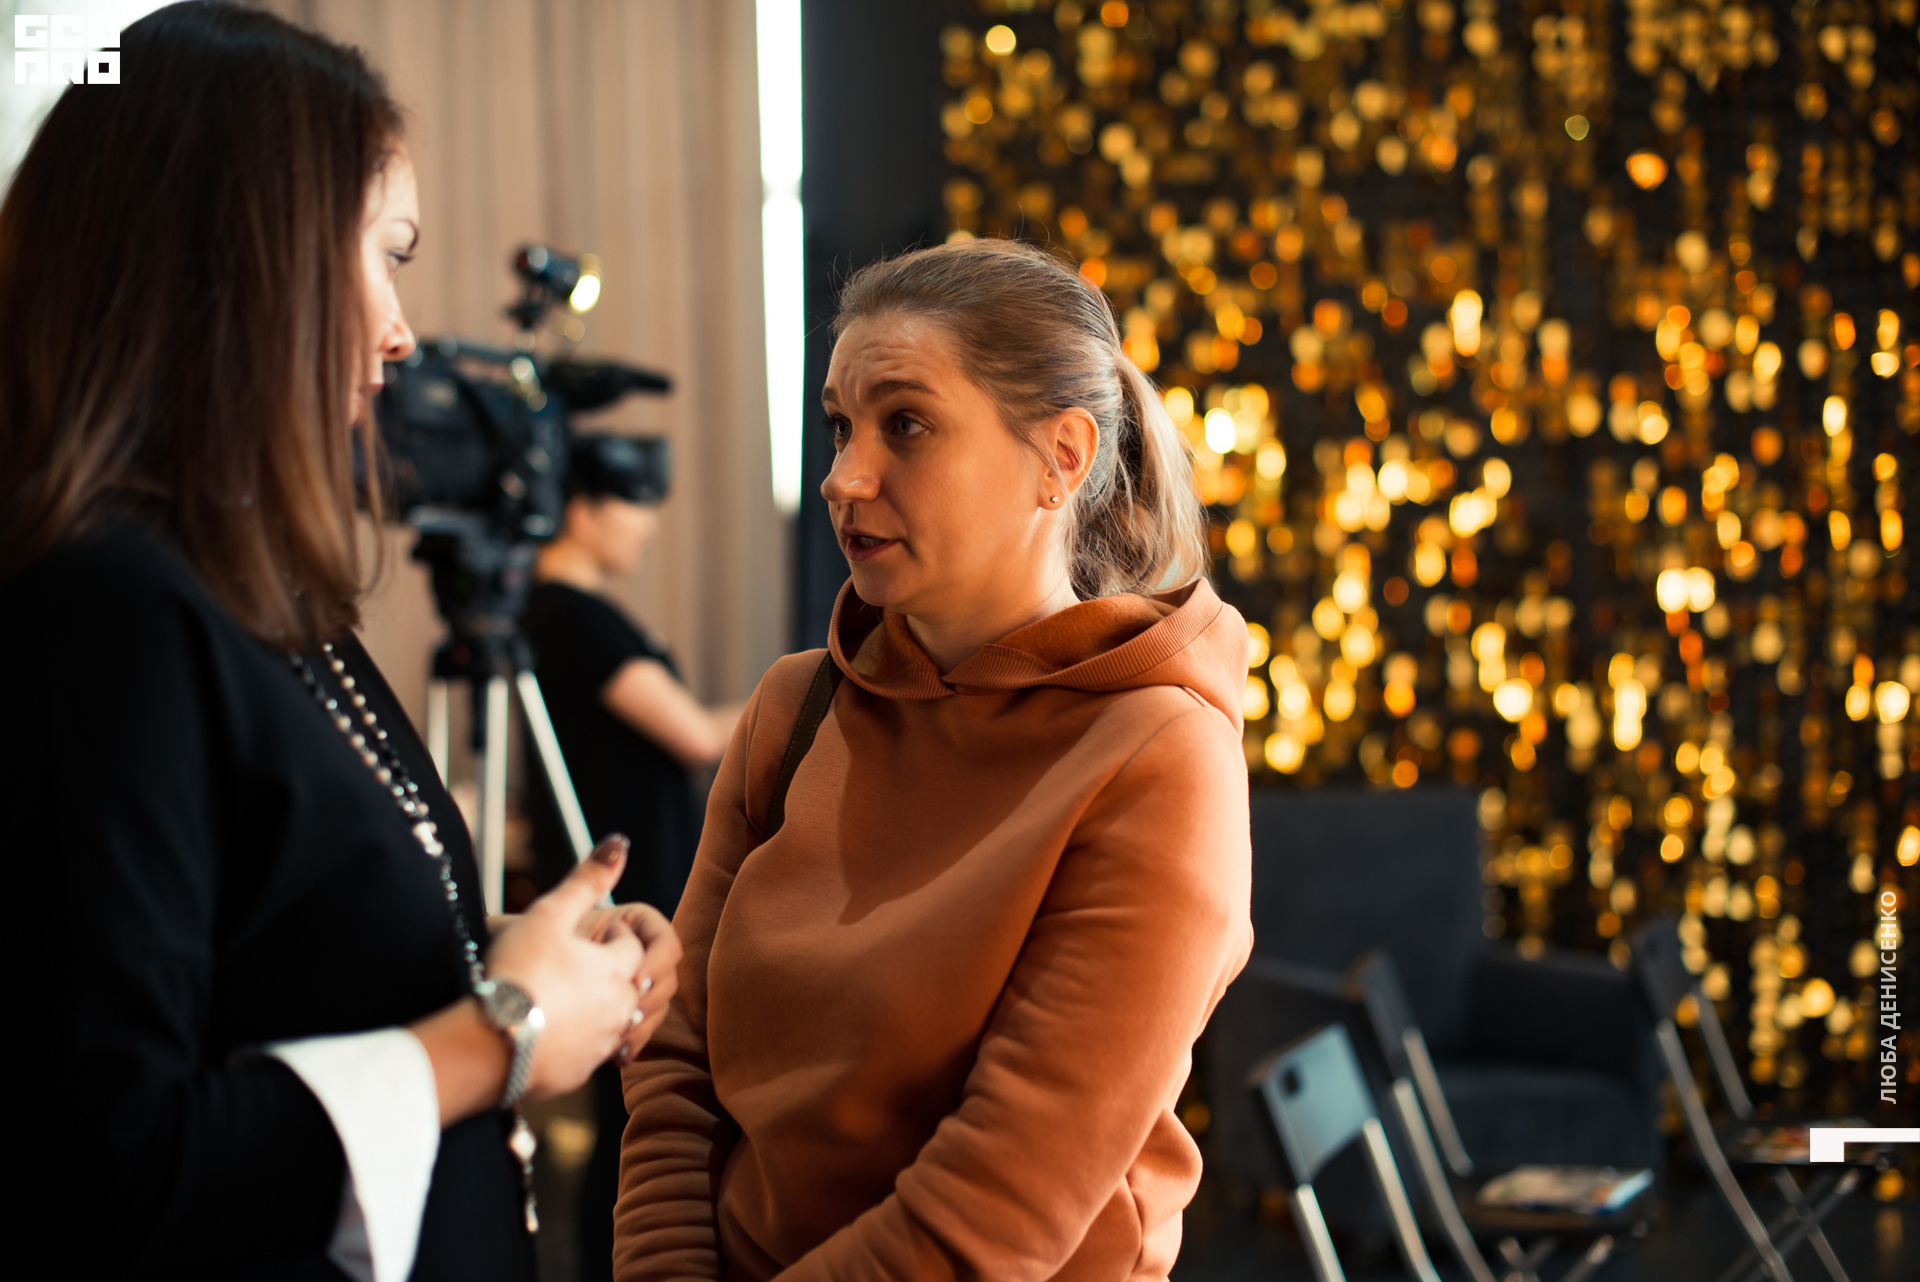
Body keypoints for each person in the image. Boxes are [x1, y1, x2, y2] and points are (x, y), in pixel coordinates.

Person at [0, 6, 680, 1281]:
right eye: (381, 254)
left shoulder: (264, 592)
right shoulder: (104, 614)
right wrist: (505, 1030)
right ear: (230, 266)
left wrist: (536, 958)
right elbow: (112, 1162)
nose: (401, 331)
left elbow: (281, 955)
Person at [613, 238, 1256, 1281]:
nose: (843, 477)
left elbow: (992, 1212)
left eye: (905, 425)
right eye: (841, 426)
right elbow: (675, 1062)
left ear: (1062, 458)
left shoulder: (1159, 756)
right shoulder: (794, 707)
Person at [519, 434, 744, 1282]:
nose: (647, 525)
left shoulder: (561, 612)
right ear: (581, 511)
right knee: (636, 1115)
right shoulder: (570, 615)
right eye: (634, 505)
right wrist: (809, 690)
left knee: (634, 1113)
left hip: (626, 880)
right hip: (625, 888)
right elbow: (691, 734)